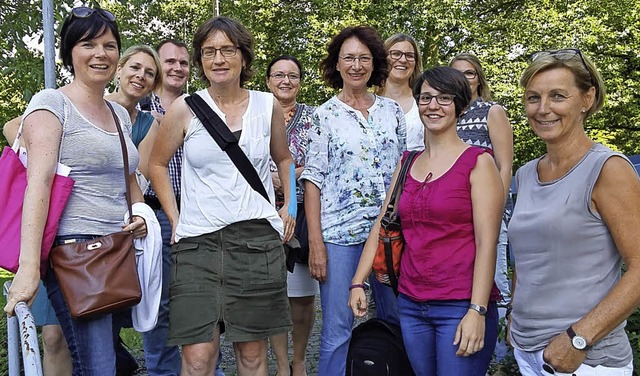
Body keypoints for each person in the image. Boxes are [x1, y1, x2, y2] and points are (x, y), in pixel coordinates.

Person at [2, 7, 147, 375]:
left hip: (116, 251)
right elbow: (39, 183)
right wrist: (30, 267)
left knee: (110, 360)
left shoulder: (117, 114)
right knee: (96, 366)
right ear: (69, 53)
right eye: (88, 44)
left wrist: (140, 212)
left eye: (110, 45)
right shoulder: (52, 103)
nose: (101, 53)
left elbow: (127, 175)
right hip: (76, 253)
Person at [148, 16, 295, 376]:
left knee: (251, 354)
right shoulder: (185, 108)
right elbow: (156, 164)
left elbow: (284, 158)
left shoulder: (267, 106)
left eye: (227, 50)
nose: (218, 59)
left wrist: (287, 204)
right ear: (200, 60)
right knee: (198, 356)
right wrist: (175, 218)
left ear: (243, 57)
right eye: (209, 51)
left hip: (256, 242)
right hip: (197, 245)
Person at [349, 66, 502, 376]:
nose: (433, 106)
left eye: (444, 98)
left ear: (460, 105)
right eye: (426, 97)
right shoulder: (408, 161)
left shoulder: (478, 162)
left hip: (460, 305)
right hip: (410, 303)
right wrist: (357, 281)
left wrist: (477, 310)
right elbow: (382, 224)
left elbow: (488, 243)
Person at [508, 48, 639, 375]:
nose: (543, 109)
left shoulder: (607, 169)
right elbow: (529, 258)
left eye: (557, 96)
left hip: (586, 360)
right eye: (533, 97)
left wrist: (578, 338)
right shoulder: (525, 174)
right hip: (527, 353)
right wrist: (514, 314)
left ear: (587, 98)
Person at [300, 25, 406, 376]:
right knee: (336, 330)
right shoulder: (323, 116)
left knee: (397, 321)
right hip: (340, 237)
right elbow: (312, 181)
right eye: (348, 58)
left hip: (392, 236)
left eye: (363, 58)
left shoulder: (392, 112)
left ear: (374, 63)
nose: (356, 65)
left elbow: (403, 171)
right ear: (337, 65)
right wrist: (316, 243)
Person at [449, 53, 513, 362]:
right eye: (457, 74)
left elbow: (504, 166)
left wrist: (495, 209)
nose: (464, 79)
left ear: (479, 78)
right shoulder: (445, 111)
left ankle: (498, 360)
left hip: (487, 213)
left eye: (470, 74)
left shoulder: (492, 111)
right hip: (453, 218)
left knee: (496, 284)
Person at [136, 39, 194, 376]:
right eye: (169, 61)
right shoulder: (139, 105)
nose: (176, 68)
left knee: (199, 301)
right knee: (159, 303)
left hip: (197, 214)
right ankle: (162, 371)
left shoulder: (200, 106)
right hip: (154, 214)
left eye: (183, 63)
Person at [3, 120, 72, 376]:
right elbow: (12, 128)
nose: (140, 76)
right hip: (46, 238)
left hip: (88, 240)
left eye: (150, 74)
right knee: (53, 336)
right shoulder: (59, 104)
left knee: (93, 336)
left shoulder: (117, 116)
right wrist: (43, 158)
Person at [265, 55, 319, 376]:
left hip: (302, 213)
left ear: (300, 81)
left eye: (293, 75)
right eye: (279, 75)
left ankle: (299, 361)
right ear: (269, 80)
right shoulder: (254, 113)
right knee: (272, 294)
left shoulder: (315, 117)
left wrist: (287, 174)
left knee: (301, 296)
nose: (286, 81)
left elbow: (322, 159)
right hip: (261, 215)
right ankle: (281, 364)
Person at [377, 33, 424, 151]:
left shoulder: (425, 102)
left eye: (409, 55)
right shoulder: (368, 103)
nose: (403, 60)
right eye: (396, 54)